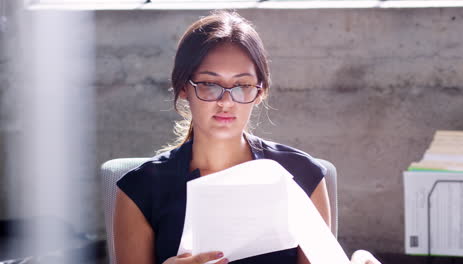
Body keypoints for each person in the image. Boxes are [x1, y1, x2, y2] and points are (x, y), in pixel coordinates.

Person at [114, 11, 380, 264]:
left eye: (242, 86)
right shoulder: (141, 189)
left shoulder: (301, 175)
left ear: (260, 91)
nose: (226, 102)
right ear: (184, 88)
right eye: (209, 84)